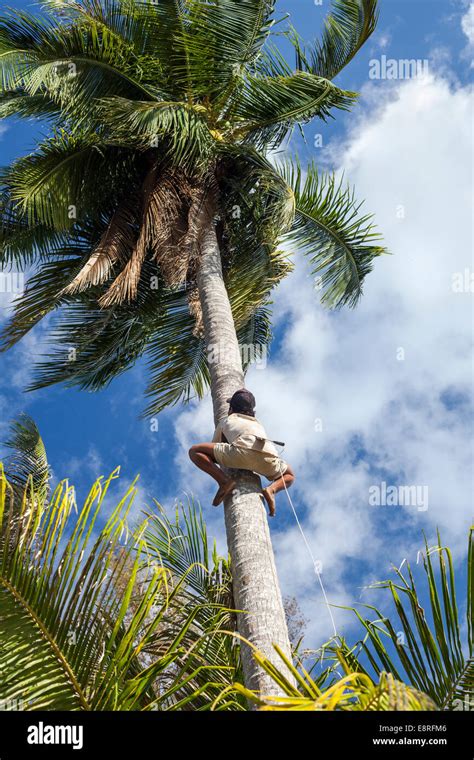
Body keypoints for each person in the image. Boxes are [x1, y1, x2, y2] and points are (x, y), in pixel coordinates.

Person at [188, 389, 295, 517]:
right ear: (252, 411)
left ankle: (223, 482)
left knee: (195, 451)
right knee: (289, 475)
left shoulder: (227, 420)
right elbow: (289, 476)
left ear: (231, 409)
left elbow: (215, 445)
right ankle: (272, 489)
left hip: (241, 453)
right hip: (268, 457)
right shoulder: (257, 423)